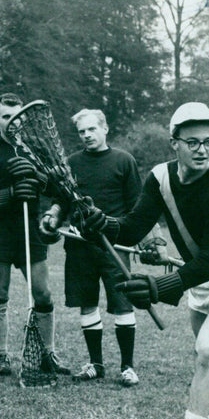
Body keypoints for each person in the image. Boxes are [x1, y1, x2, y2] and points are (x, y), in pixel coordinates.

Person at [77, 102, 209, 419]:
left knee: (207, 348)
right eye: (192, 142)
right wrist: (100, 223)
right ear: (174, 143)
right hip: (200, 284)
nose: (202, 149)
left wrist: (162, 288)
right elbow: (130, 228)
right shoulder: (159, 178)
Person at [59, 109, 164, 387]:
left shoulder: (123, 161)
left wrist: (153, 241)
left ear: (105, 128)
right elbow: (64, 203)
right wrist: (51, 219)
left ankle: (127, 367)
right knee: (87, 304)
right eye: (82, 131)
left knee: (123, 304)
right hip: (80, 246)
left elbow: (139, 207)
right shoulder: (71, 163)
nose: (87, 135)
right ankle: (96, 364)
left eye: (92, 129)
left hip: (114, 245)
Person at [0, 93, 70, 377]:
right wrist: (8, 194)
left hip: (30, 230)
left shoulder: (36, 148)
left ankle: (49, 353)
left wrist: (39, 179)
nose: (13, 123)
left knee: (43, 294)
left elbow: (56, 187)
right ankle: (2, 356)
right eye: (7, 117)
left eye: (18, 117)